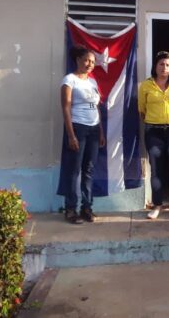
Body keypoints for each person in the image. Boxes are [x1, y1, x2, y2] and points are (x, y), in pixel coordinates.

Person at [57, 46, 105, 224]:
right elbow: (66, 108)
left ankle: (87, 208)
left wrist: (100, 131)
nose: (89, 64)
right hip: (77, 128)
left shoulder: (92, 82)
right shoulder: (69, 80)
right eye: (86, 60)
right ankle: (71, 209)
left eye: (92, 62)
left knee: (89, 170)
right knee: (74, 171)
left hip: (93, 130)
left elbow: (97, 107)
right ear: (77, 60)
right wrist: (71, 136)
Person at [139, 51, 169, 220]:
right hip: (154, 131)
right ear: (155, 66)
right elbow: (142, 110)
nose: (164, 68)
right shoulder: (146, 85)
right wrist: (156, 121)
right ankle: (157, 205)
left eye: (167, 65)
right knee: (156, 170)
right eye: (161, 64)